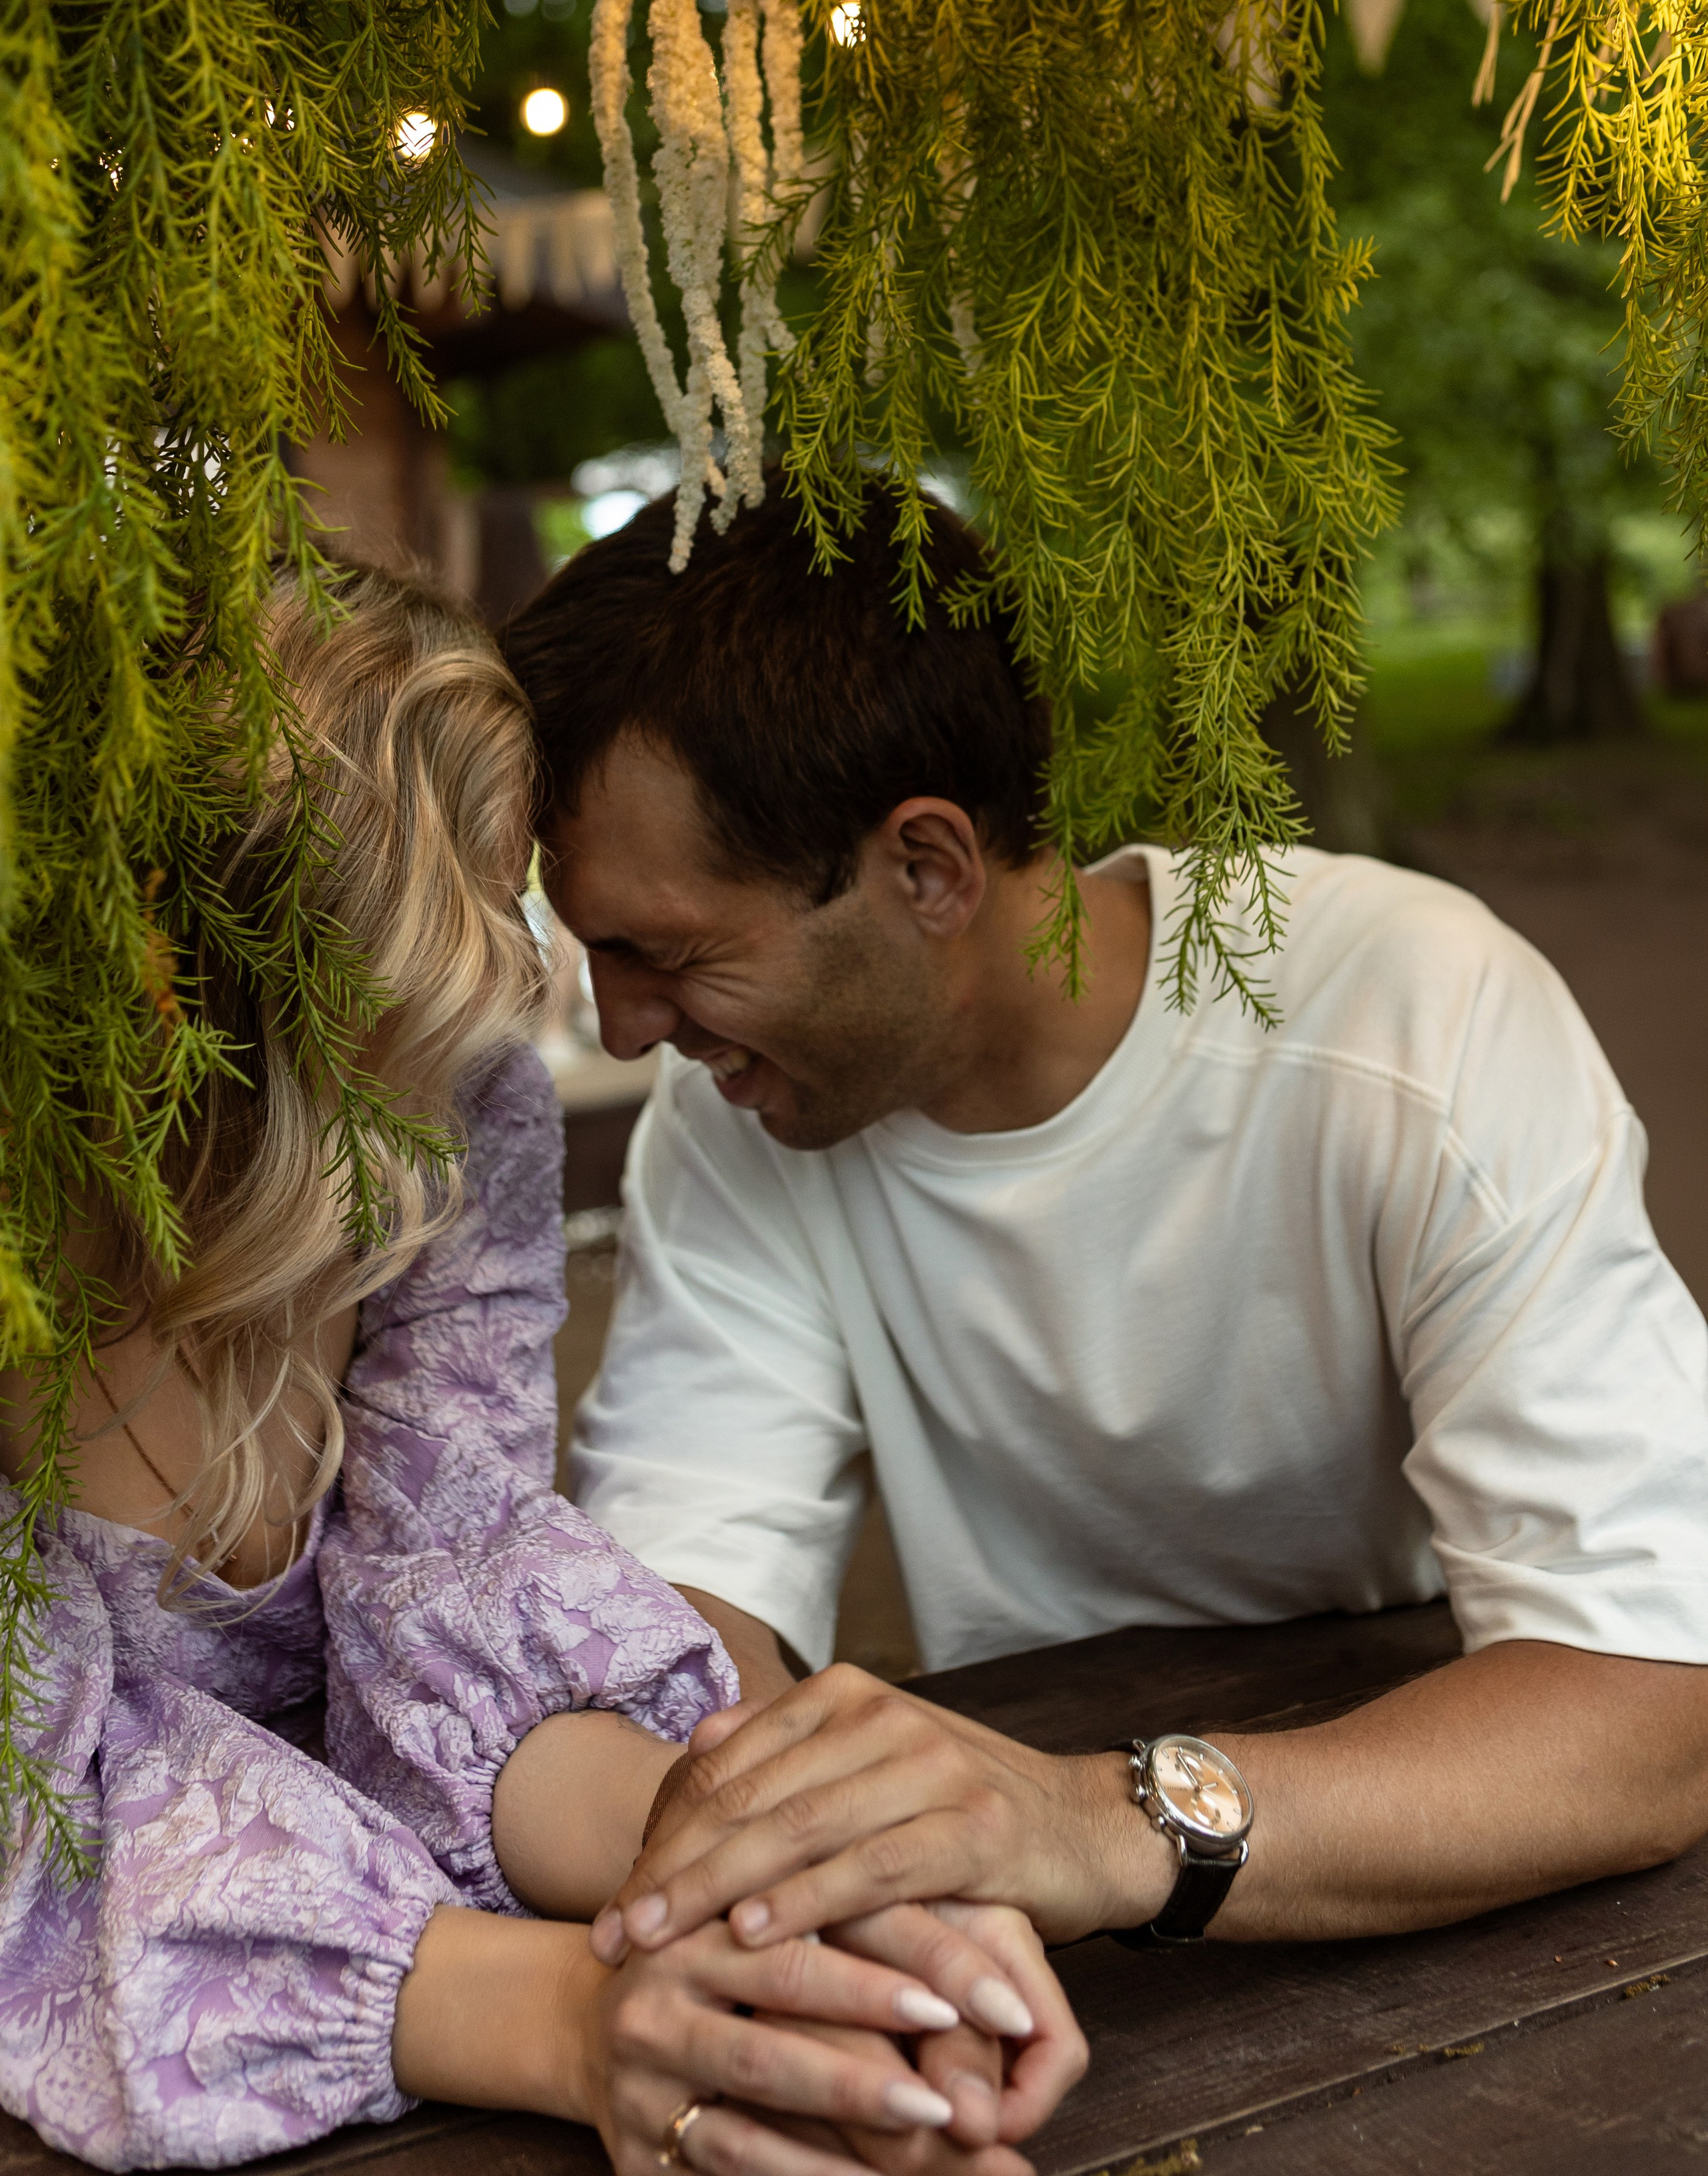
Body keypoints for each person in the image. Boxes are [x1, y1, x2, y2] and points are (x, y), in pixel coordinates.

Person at [500, 486, 1708, 1976]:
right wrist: (776, 1870)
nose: (620, 1031)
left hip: (1454, 1877)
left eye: (667, 953)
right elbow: (680, 1638)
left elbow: (1646, 1705)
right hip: (1029, 1916)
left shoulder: (1410, 1016)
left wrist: (1087, 1823)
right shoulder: (740, 1120)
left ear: (927, 867)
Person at [0, 562, 1081, 2176]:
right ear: (197, 999)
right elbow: (37, 1867)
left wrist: (770, 1879)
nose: (544, 1010)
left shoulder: (440, 1127)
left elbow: (455, 1602)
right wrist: (575, 2016)